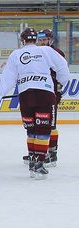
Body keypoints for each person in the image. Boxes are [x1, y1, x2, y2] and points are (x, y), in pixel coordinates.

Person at [0, 28, 69, 179]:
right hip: (45, 93)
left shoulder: (16, 54)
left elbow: (8, 77)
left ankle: (32, 161)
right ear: (35, 40)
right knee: (43, 129)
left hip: (26, 94)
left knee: (31, 129)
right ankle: (39, 164)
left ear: (22, 41)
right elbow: (62, 67)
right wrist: (61, 84)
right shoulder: (46, 51)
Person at [34, 28, 65, 166]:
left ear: (50, 40)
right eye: (40, 40)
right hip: (37, 93)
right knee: (37, 124)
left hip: (51, 93)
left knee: (50, 124)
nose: (42, 42)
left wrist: (57, 92)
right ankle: (38, 152)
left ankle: (52, 153)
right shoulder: (35, 52)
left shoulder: (57, 53)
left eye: (44, 39)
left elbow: (62, 74)